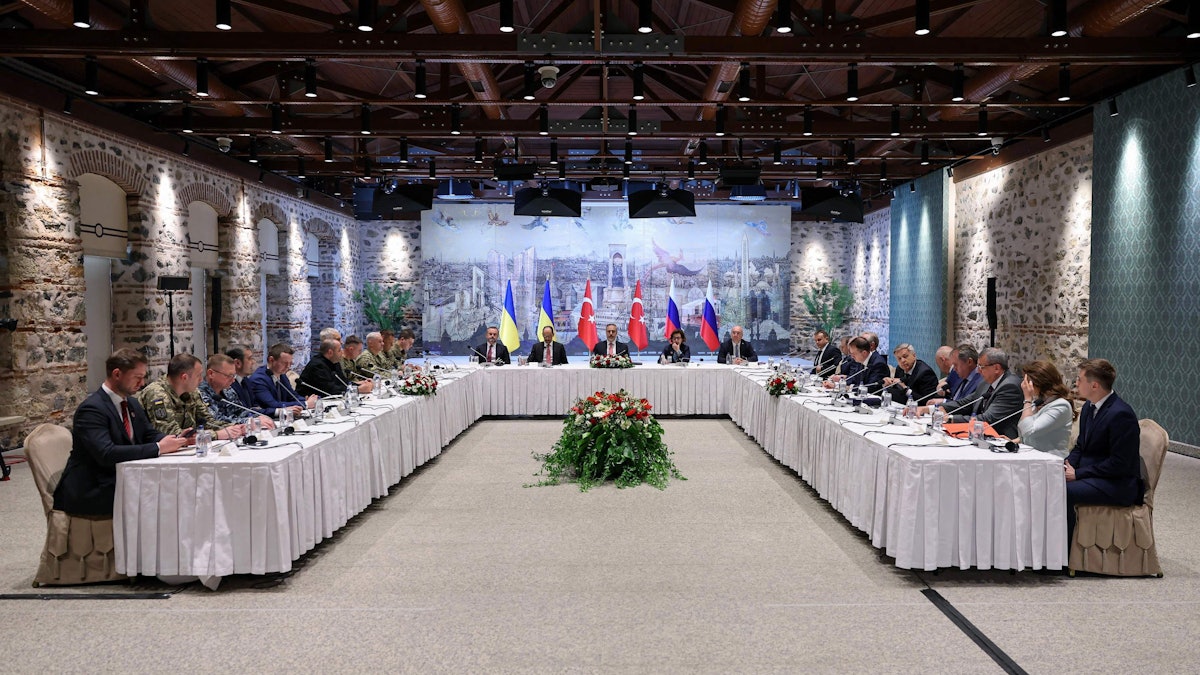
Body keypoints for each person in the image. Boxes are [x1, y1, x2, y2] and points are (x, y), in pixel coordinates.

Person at [52, 349, 191, 516]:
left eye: (144, 377)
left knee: (177, 491)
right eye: (137, 377)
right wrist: (158, 447)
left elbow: (148, 434)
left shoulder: (131, 403)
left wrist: (177, 440)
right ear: (117, 374)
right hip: (94, 489)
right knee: (164, 498)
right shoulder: (92, 409)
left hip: (123, 478)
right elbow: (106, 453)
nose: (142, 383)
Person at [1065, 358, 1143, 541]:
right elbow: (1081, 446)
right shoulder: (1087, 408)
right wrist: (1067, 465)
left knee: (1063, 491)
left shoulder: (1121, 414)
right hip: (1094, 474)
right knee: (1049, 481)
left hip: (1117, 484)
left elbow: (1119, 463)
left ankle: (1063, 556)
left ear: (1094, 385)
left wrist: (1078, 474)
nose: (1076, 383)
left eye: (1079, 379)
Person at [137, 353, 245, 440]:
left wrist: (236, 427)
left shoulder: (192, 392)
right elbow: (172, 434)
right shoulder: (157, 394)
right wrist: (216, 435)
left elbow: (207, 421)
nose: (201, 380)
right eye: (198, 375)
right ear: (184, 377)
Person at [938, 347, 1023, 438]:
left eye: (981, 367)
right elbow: (966, 403)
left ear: (996, 368)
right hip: (981, 436)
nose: (978, 371)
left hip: (1001, 440)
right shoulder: (986, 382)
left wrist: (951, 418)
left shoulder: (1010, 386)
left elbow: (988, 419)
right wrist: (941, 407)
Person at [1015, 360, 1075, 457]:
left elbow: (1030, 431)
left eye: (1027, 381)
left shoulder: (1060, 405)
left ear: (1039, 382)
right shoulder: (1040, 401)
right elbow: (1026, 431)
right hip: (1033, 457)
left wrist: (1027, 399)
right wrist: (1012, 441)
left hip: (1051, 460)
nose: (1024, 385)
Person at [197, 353, 275, 428]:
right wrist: (249, 422)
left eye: (234, 375)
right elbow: (216, 421)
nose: (233, 380)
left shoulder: (228, 390)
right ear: (211, 374)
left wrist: (258, 417)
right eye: (229, 375)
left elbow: (241, 412)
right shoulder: (200, 393)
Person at [247, 343, 316, 415]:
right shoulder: (258, 379)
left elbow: (292, 396)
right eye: (284, 363)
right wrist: (306, 404)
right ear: (271, 360)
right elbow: (272, 404)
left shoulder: (282, 375)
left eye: (290, 363)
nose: (288, 366)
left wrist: (311, 400)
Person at [297, 338, 373, 397]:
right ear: (330, 352)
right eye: (339, 350)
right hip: (311, 403)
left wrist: (359, 384)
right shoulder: (317, 366)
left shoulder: (334, 361)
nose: (342, 352)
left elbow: (342, 382)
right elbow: (329, 389)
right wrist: (357, 389)